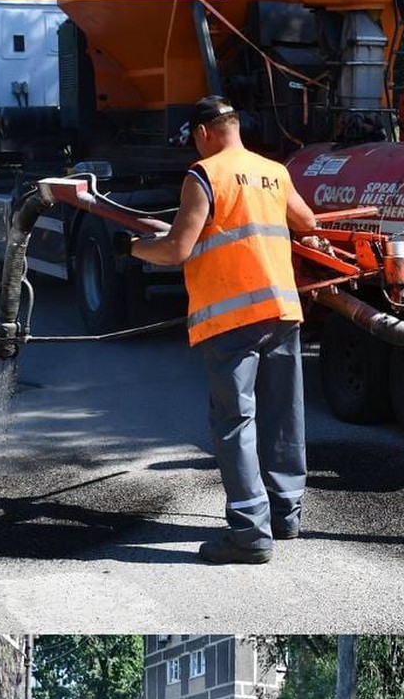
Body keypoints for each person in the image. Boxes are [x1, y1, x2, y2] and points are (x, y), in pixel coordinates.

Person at [126, 97, 326, 566]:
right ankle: (285, 514)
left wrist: (137, 248)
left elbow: (177, 250)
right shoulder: (273, 171)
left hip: (231, 319)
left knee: (234, 423)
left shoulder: (203, 174)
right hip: (280, 310)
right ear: (234, 126)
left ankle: (248, 533)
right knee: (283, 415)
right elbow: (307, 221)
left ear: (202, 133)